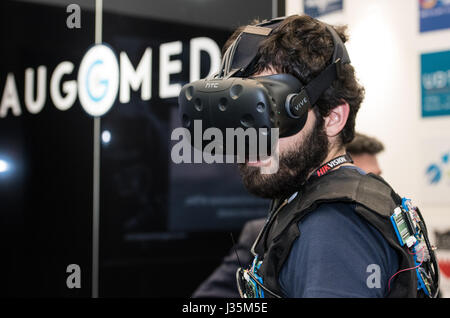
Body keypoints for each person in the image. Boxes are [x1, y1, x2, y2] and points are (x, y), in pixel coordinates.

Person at [192, 132, 386, 298]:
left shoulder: (385, 232)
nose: (366, 186)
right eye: (356, 177)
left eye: (375, 177)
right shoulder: (261, 234)